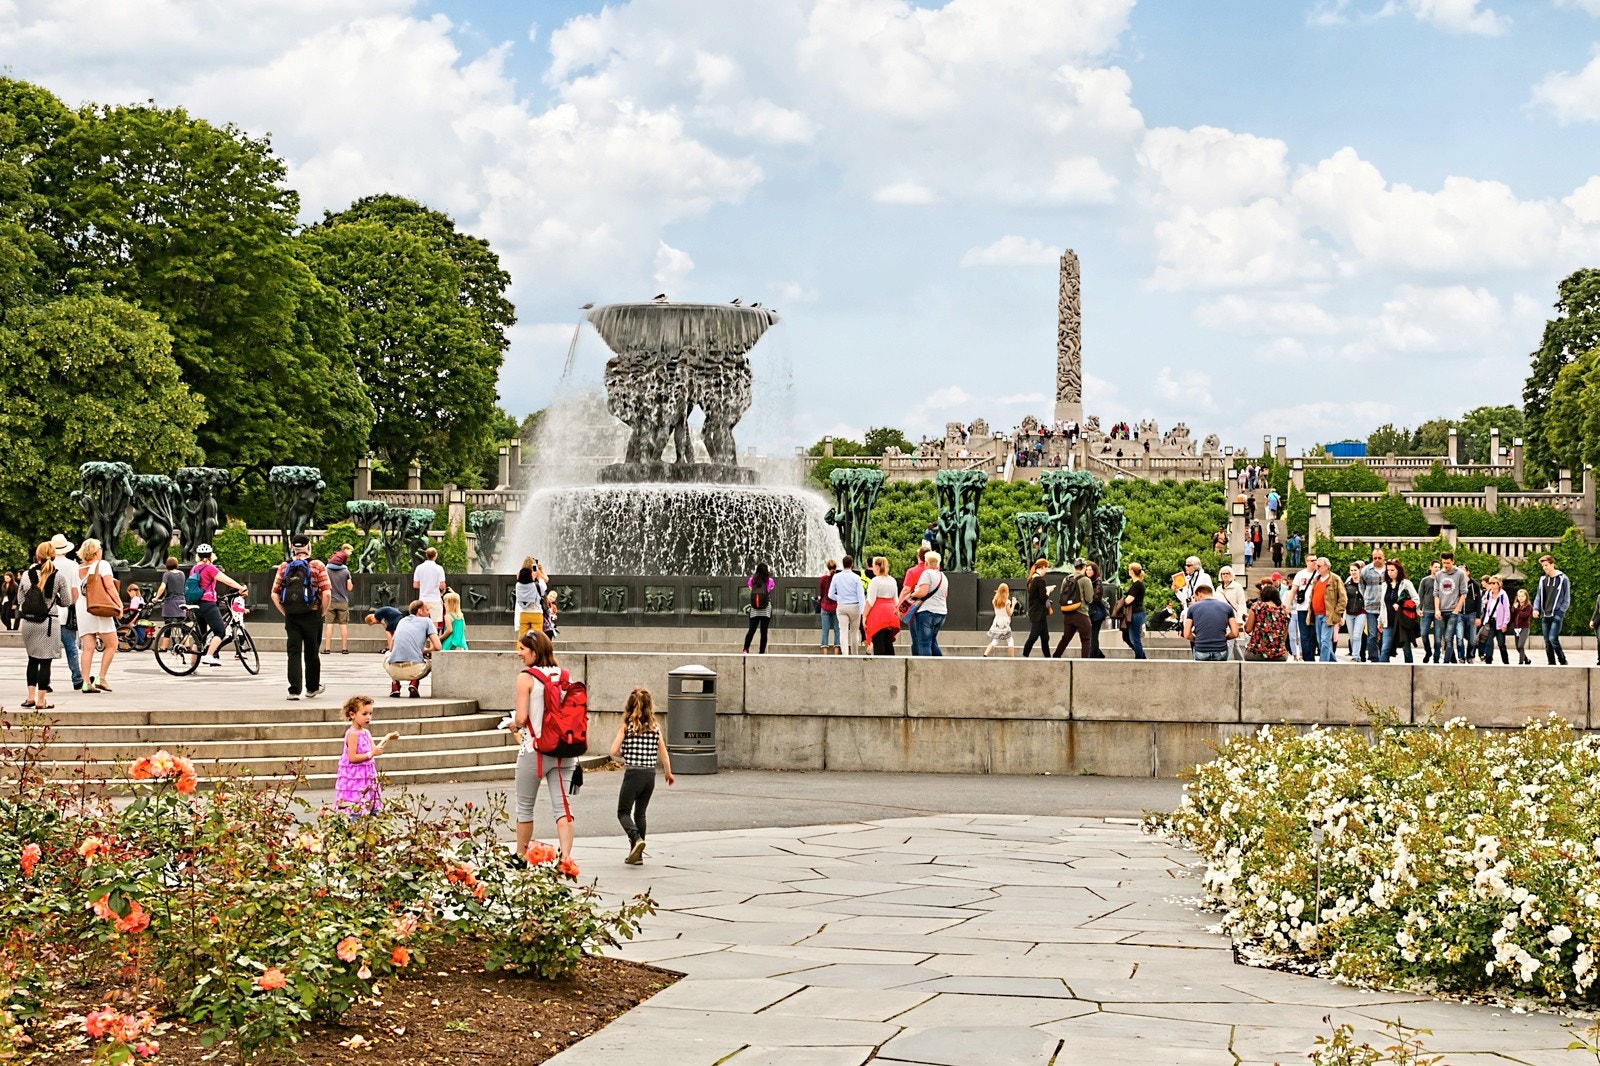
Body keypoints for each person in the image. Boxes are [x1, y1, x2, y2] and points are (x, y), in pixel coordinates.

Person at [512, 630, 577, 864]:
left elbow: (521, 718)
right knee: (562, 807)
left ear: (534, 651)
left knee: (525, 807)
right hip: (563, 751)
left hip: (534, 750)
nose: (519, 653)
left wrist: (513, 724)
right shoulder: (564, 675)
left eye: (522, 649)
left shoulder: (525, 678)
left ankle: (520, 857)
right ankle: (566, 858)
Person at [609, 687, 674, 865]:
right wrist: (668, 773)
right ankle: (636, 855)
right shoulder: (656, 728)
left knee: (623, 812)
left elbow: (613, 750)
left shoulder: (626, 727)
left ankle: (636, 839)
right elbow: (664, 754)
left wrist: (625, 753)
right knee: (640, 813)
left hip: (633, 773)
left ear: (630, 706)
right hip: (649, 775)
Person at [271, 533, 331, 700]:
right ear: (308, 547)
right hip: (312, 613)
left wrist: (286, 612)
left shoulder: (284, 566)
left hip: (292, 616)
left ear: (293, 548)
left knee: (294, 652)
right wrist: (322, 611)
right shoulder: (317, 565)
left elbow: (274, 594)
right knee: (312, 652)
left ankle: (293, 690)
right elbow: (326, 593)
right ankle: (312, 688)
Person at [20, 541, 73, 709]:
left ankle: (30, 698)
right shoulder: (58, 576)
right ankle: (41, 701)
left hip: (29, 623)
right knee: (45, 663)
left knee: (32, 661)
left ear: (37, 556)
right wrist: (52, 599)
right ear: (53, 556)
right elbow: (66, 601)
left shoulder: (26, 575)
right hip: (48, 623)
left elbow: (21, 600)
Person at [335, 695, 397, 815]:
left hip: (367, 776)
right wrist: (371, 754)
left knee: (371, 804)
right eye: (364, 714)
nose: (368, 717)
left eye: (370, 714)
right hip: (354, 780)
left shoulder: (366, 732)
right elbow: (352, 758)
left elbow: (375, 750)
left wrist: (388, 737)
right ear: (352, 715)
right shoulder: (352, 734)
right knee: (356, 806)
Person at [75, 538, 121, 693]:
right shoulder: (102, 565)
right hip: (99, 606)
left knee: (88, 648)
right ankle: (101, 677)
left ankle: (86, 682)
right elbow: (109, 587)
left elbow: (74, 593)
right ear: (96, 551)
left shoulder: (78, 568)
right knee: (112, 644)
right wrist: (119, 605)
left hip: (83, 608)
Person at [191, 544, 245, 668]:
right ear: (211, 555)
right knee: (220, 632)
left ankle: (192, 666)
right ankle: (209, 655)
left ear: (198, 556)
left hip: (196, 603)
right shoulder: (210, 568)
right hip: (208, 603)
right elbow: (227, 580)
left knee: (200, 637)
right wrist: (241, 588)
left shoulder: (194, 569)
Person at [385, 600, 440, 698]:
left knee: (387, 655)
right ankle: (414, 683)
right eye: (427, 610)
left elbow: (392, 648)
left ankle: (395, 685)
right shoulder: (427, 621)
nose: (429, 612)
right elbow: (438, 647)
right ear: (420, 611)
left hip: (394, 670)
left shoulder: (402, 621)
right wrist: (424, 651)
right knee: (429, 661)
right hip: (415, 670)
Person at [52, 534, 82, 692]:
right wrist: (73, 605)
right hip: (68, 611)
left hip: (50, 613)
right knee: (72, 647)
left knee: (47, 648)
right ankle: (77, 678)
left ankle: (45, 681)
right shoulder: (73, 566)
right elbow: (75, 590)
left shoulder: (47, 565)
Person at [1532, 554, 1571, 667]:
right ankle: (1551, 663)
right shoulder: (1543, 579)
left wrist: (1561, 611)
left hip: (1556, 614)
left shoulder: (1563, 578)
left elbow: (1566, 598)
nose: (1545, 568)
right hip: (1545, 614)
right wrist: (1536, 608)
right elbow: (1539, 596)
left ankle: (1562, 659)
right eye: (1543, 566)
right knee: (1547, 642)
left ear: (1552, 564)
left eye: (1546, 565)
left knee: (1552, 638)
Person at [908, 550, 949, 656]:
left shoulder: (927, 573)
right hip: (941, 613)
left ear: (926, 563)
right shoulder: (943, 576)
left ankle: (925, 670)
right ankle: (939, 666)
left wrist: (912, 595)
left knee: (924, 644)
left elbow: (922, 592)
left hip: (927, 613)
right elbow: (945, 594)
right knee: (932, 642)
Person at [1183, 583, 1239, 661]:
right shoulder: (1227, 607)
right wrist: (1224, 638)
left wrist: (1197, 639)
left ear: (1199, 594)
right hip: (1221, 650)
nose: (1196, 600)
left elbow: (1186, 634)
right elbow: (1235, 633)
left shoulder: (1192, 608)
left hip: (1201, 650)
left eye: (1195, 598)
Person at [1378, 561, 1420, 664]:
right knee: (1385, 648)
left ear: (1398, 570)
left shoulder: (1406, 583)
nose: (1390, 572)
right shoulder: (1384, 585)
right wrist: (1380, 620)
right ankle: (1381, 674)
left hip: (1402, 621)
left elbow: (1416, 600)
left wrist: (1401, 605)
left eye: (1392, 570)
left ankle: (1410, 673)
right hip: (1388, 621)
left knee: (1406, 648)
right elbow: (1382, 605)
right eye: (1388, 570)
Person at [1052, 559, 1094, 659]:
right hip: (1081, 613)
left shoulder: (1066, 578)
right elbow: (1089, 599)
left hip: (1068, 613)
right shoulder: (1085, 580)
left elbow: (1061, 595)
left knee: (1066, 638)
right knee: (1086, 639)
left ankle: (1056, 657)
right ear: (1084, 567)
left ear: (1074, 567)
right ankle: (1084, 662)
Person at [1308, 557, 1346, 663]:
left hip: (1328, 615)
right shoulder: (1316, 579)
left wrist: (1337, 614)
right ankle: (1333, 662)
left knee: (1325, 641)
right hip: (1317, 614)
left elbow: (1343, 599)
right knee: (1321, 642)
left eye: (1319, 566)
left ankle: (1322, 664)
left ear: (1327, 567)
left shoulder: (1335, 579)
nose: (1317, 568)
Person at [828, 555, 865, 656]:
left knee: (843, 631)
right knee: (854, 631)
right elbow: (861, 595)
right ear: (852, 564)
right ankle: (854, 653)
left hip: (842, 606)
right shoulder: (856, 578)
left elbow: (830, 594)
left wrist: (839, 598)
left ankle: (845, 654)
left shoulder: (836, 577)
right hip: (854, 606)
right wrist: (863, 611)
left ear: (843, 564)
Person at [863, 557, 901, 655]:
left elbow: (870, 600)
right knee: (888, 642)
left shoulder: (875, 581)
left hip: (878, 614)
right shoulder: (892, 580)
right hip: (891, 613)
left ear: (877, 566)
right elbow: (896, 600)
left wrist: (864, 615)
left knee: (878, 642)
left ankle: (880, 667)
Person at [1242, 584, 1289, 662]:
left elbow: (1248, 629)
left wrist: (1247, 619)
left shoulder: (1256, 606)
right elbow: (1283, 637)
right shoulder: (1283, 610)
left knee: (1247, 653)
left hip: (1256, 653)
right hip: (1279, 655)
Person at [1434, 553, 1466, 664]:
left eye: (1448, 563)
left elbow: (1463, 593)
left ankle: (1445, 663)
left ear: (1452, 561)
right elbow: (1436, 593)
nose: (1446, 565)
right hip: (1442, 611)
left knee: (1448, 638)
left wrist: (1457, 610)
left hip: (1453, 610)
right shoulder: (1439, 575)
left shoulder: (1460, 574)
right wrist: (1437, 609)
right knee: (1444, 638)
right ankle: (1453, 661)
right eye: (1444, 563)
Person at [322, 549, 353, 654]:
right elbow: (349, 588)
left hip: (330, 601)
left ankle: (327, 649)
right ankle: (344, 649)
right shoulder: (345, 571)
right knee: (343, 625)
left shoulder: (327, 570)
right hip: (342, 601)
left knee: (329, 624)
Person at [1358, 550, 1387, 662]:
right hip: (1370, 607)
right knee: (1372, 634)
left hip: (1384, 607)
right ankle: (1373, 657)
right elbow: (1361, 586)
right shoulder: (1366, 570)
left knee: (1385, 633)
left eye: (1379, 558)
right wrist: (1367, 596)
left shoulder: (1388, 569)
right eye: (1375, 558)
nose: (1377, 560)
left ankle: (1384, 656)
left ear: (1383, 557)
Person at [411, 546, 447, 634]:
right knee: (434, 625)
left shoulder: (419, 568)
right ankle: (433, 645)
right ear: (435, 556)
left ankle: (421, 644)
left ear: (426, 555)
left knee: (421, 624)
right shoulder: (439, 568)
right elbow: (442, 585)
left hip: (423, 599)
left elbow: (415, 585)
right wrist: (441, 590)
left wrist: (424, 586)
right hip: (435, 599)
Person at [1476, 575, 1510, 665]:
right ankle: (1488, 660)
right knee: (1488, 642)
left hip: (1500, 623)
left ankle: (1506, 661)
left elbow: (1507, 610)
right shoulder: (1488, 594)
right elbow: (1486, 608)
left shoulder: (1503, 595)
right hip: (1490, 622)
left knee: (1501, 644)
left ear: (1499, 584)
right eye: (1490, 583)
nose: (1492, 585)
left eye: (1494, 583)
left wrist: (1505, 624)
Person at [1215, 566, 1247, 660]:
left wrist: (1240, 618)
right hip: (1222, 618)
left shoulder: (1237, 587)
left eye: (1227, 573)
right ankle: (1240, 660)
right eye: (1223, 574)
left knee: (1230, 641)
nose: (1225, 575)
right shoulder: (1218, 589)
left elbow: (1241, 603)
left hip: (1234, 617)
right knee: (1234, 642)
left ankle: (1226, 661)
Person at [1022, 558, 1052, 658]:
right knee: (1033, 637)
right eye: (1046, 568)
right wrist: (1049, 590)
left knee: (1045, 637)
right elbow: (1043, 598)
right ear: (1042, 567)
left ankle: (1048, 658)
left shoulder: (1031, 579)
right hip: (1039, 613)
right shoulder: (1040, 580)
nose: (1046, 571)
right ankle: (1024, 656)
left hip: (1037, 613)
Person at [513, 558, 549, 640]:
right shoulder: (535, 586)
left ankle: (521, 650)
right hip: (536, 613)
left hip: (523, 613)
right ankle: (535, 651)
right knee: (537, 637)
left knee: (522, 637)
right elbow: (544, 589)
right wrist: (539, 576)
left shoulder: (518, 585)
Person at [744, 562, 775, 654]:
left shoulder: (751, 580)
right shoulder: (770, 581)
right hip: (766, 609)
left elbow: (750, 588)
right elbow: (771, 589)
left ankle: (746, 648)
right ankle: (761, 652)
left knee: (751, 629)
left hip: (754, 608)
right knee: (764, 631)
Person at [1120, 562, 1147, 660]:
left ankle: (1140, 658)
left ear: (1132, 571)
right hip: (1135, 613)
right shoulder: (1137, 584)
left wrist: (1121, 601)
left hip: (1136, 613)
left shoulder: (1137, 585)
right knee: (1127, 636)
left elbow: (1128, 600)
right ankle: (1141, 655)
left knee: (1134, 637)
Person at [1343, 562, 1368, 663]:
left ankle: (1356, 656)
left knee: (1357, 635)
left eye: (1355, 570)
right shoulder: (1347, 584)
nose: (1353, 572)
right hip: (1349, 613)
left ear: (1359, 571)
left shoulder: (1364, 583)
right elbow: (1344, 599)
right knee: (1352, 636)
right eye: (1351, 570)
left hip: (1361, 612)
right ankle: (1356, 655)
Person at [984, 583, 1017, 657]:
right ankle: (1012, 658)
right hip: (1005, 623)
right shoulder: (1007, 602)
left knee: (995, 640)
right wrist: (1014, 604)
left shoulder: (994, 601)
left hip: (997, 621)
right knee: (1010, 640)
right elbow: (1009, 613)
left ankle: (985, 654)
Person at [1417, 561, 1440, 663]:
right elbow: (1420, 596)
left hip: (1438, 612)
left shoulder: (1442, 580)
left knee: (1438, 637)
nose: (1437, 569)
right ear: (1430, 567)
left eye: (1439, 567)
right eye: (1435, 567)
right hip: (1426, 611)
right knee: (1424, 633)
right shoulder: (1425, 580)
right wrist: (1418, 608)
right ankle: (1428, 651)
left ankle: (1436, 657)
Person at [1084, 561, 1109, 658]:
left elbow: (1096, 598)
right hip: (1091, 611)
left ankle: (1093, 654)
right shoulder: (1087, 580)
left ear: (1094, 571)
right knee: (1091, 634)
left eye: (1090, 570)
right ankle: (1099, 654)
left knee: (1093, 634)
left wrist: (1087, 598)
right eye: (1087, 570)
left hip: (1097, 612)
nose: (1088, 571)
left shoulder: (1097, 581)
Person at [817, 560, 840, 654]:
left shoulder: (822, 579)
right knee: (837, 630)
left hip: (825, 607)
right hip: (836, 607)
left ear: (827, 567)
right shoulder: (838, 579)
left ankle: (825, 653)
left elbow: (821, 594)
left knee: (825, 630)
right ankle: (836, 652)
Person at [1512, 587, 1535, 666]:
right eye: (1519, 596)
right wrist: (1514, 609)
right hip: (1516, 628)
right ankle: (1526, 659)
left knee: (1520, 645)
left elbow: (1524, 615)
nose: (1521, 598)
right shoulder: (1515, 606)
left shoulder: (1528, 606)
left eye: (1522, 596)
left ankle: (1521, 661)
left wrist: (1517, 609)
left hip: (1524, 627)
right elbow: (1513, 616)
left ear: (1526, 597)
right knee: (1517, 647)